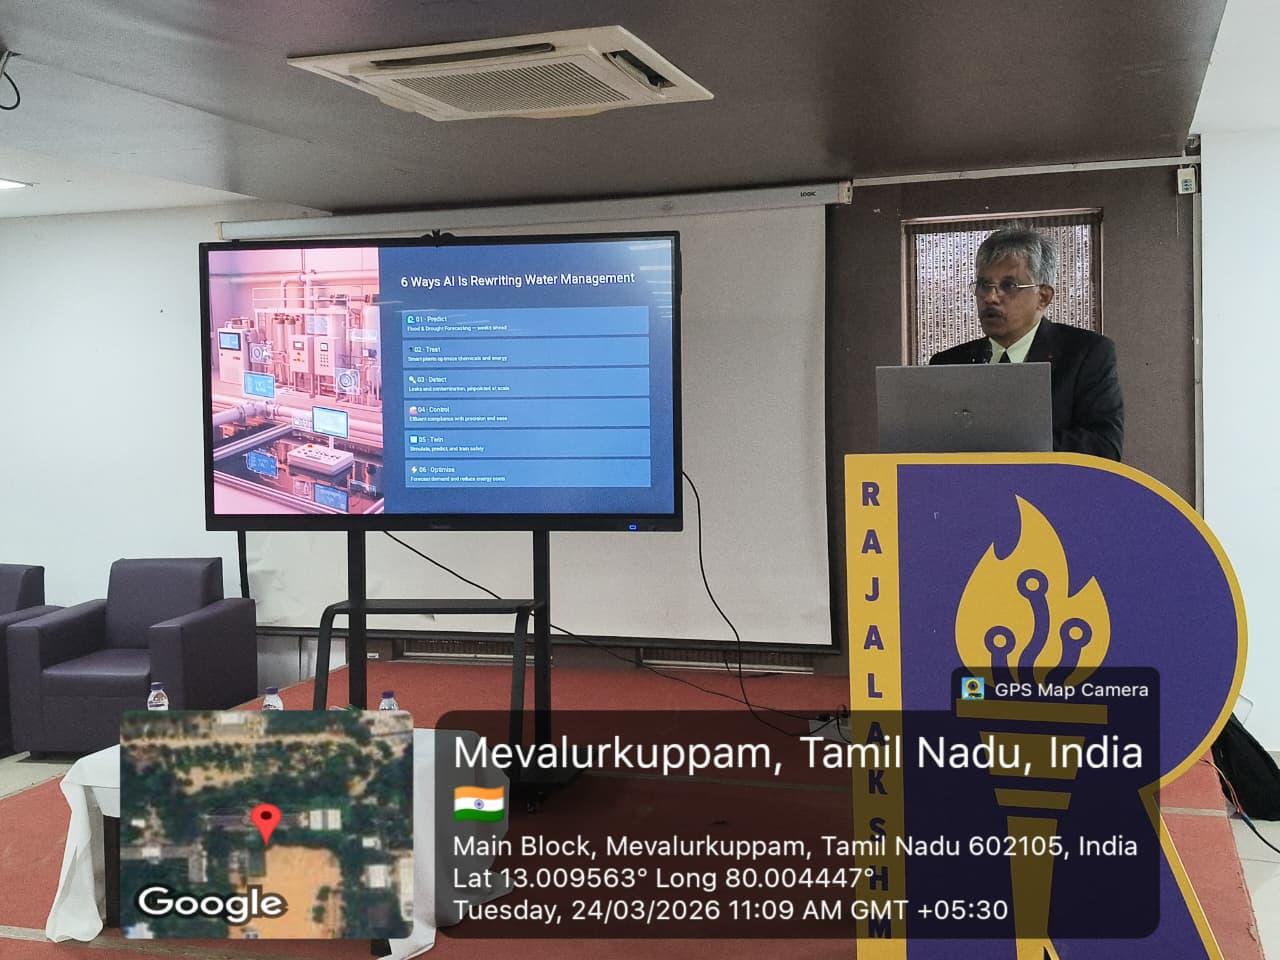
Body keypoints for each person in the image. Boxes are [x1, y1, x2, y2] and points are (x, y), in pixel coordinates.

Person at [929, 226, 1124, 461]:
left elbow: (1105, 447)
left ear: (1043, 297)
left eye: (1008, 286)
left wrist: (1008, 444)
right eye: (983, 285)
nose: (990, 297)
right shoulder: (948, 363)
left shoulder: (1086, 354)